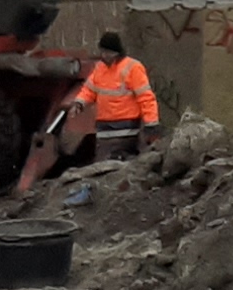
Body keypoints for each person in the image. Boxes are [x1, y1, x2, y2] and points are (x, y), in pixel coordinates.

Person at [13, 33, 157, 195]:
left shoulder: (132, 68)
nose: (105, 56)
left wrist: (151, 123)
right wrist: (79, 103)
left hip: (127, 127)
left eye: (108, 52)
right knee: (103, 165)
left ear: (117, 52)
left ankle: (127, 194)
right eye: (103, 51)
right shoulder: (100, 69)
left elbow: (146, 97)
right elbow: (89, 89)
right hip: (104, 129)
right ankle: (105, 195)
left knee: (123, 162)